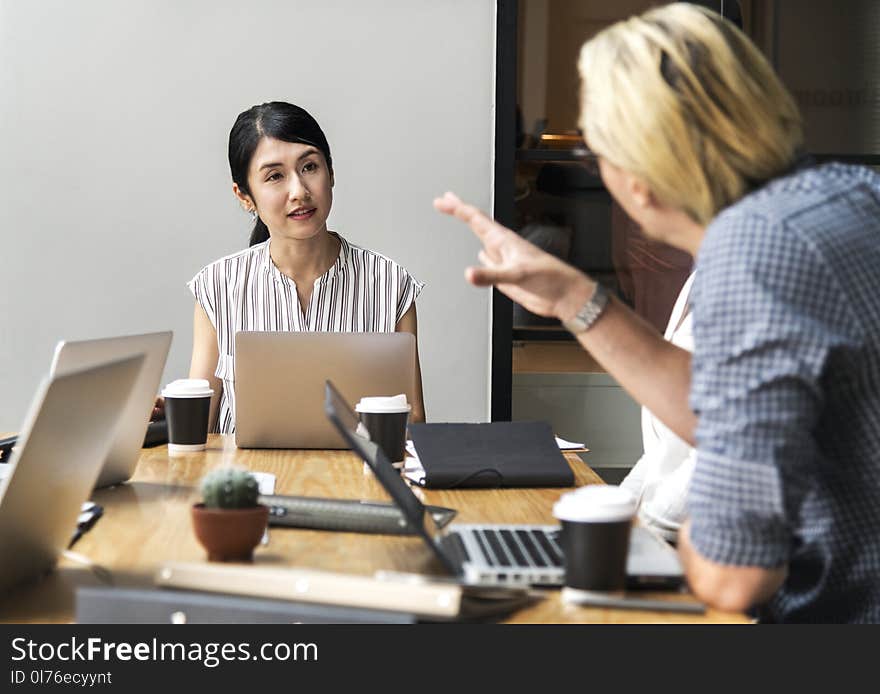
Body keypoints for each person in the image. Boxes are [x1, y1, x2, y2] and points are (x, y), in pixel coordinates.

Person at [435, 3, 880, 622]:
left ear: (639, 179)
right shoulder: (850, 193)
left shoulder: (751, 252)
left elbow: (732, 577)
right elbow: (724, 407)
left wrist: (667, 532)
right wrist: (572, 298)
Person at [184, 101, 426, 433]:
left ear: (331, 171)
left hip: (357, 481)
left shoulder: (390, 283)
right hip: (250, 482)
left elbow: (411, 423)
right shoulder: (217, 285)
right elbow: (198, 427)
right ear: (244, 196)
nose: (299, 191)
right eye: (275, 176)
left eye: (309, 167)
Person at [619, 272, 695, 544]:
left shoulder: (748, 281)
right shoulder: (698, 277)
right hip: (660, 533)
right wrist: (616, 509)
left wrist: (644, 531)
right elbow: (664, 448)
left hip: (693, 547)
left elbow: (718, 458)